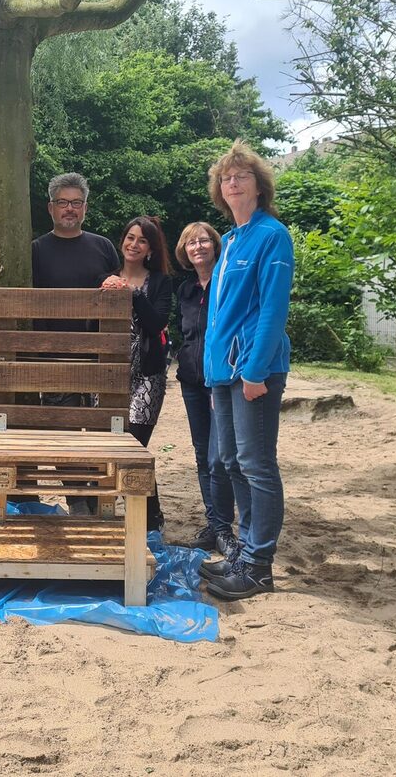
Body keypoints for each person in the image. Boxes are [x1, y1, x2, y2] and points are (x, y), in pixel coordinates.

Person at [200, 141, 294, 600]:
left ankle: (259, 564)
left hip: (252, 371)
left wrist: (254, 370)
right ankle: (243, 552)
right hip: (222, 373)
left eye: (241, 176)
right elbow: (220, 314)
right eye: (226, 177)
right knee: (232, 461)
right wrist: (212, 369)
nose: (232, 182)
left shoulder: (272, 235)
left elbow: (274, 311)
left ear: (259, 186)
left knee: (257, 464)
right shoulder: (231, 240)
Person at [31, 172, 120, 515]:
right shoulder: (36, 250)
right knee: (64, 433)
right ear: (50, 208)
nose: (70, 209)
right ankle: (78, 500)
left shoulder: (103, 246)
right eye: (63, 203)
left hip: (99, 358)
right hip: (54, 358)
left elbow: (113, 289)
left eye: (76, 203)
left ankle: (99, 500)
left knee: (100, 434)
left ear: (85, 208)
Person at [100, 217, 173, 533]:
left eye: (142, 240)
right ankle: (140, 517)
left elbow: (157, 323)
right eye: (130, 237)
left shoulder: (159, 282)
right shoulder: (105, 278)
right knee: (111, 448)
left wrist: (133, 293)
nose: (134, 244)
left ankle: (150, 521)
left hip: (147, 376)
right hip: (110, 374)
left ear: (150, 250)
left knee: (133, 448)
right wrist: (103, 293)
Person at [174, 221, 236, 556]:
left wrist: (218, 380)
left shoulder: (226, 283)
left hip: (220, 382)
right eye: (191, 243)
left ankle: (224, 527)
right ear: (184, 251)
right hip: (191, 381)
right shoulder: (185, 290)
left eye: (204, 241)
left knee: (219, 458)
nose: (198, 247)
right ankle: (214, 524)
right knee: (202, 456)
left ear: (215, 245)